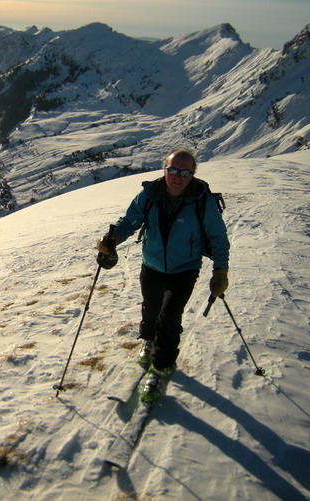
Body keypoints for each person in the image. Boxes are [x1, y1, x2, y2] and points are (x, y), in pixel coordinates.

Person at [96, 147, 230, 401]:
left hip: (185, 270)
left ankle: (161, 367)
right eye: (173, 170)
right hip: (152, 265)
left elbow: (218, 239)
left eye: (185, 171)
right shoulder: (149, 196)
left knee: (169, 318)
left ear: (192, 174)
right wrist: (112, 238)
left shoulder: (203, 201)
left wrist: (220, 271)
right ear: (164, 169)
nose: (178, 176)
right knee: (151, 308)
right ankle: (148, 340)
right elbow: (129, 222)